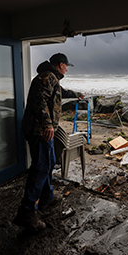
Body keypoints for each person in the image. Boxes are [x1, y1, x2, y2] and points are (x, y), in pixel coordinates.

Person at [13, 53, 85, 231]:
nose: (67, 68)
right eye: (66, 65)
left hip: (43, 130)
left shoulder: (52, 78)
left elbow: (60, 93)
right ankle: (27, 210)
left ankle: (47, 196)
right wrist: (47, 124)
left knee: (49, 161)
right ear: (60, 65)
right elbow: (40, 100)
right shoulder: (46, 77)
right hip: (40, 131)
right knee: (41, 166)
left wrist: (76, 95)